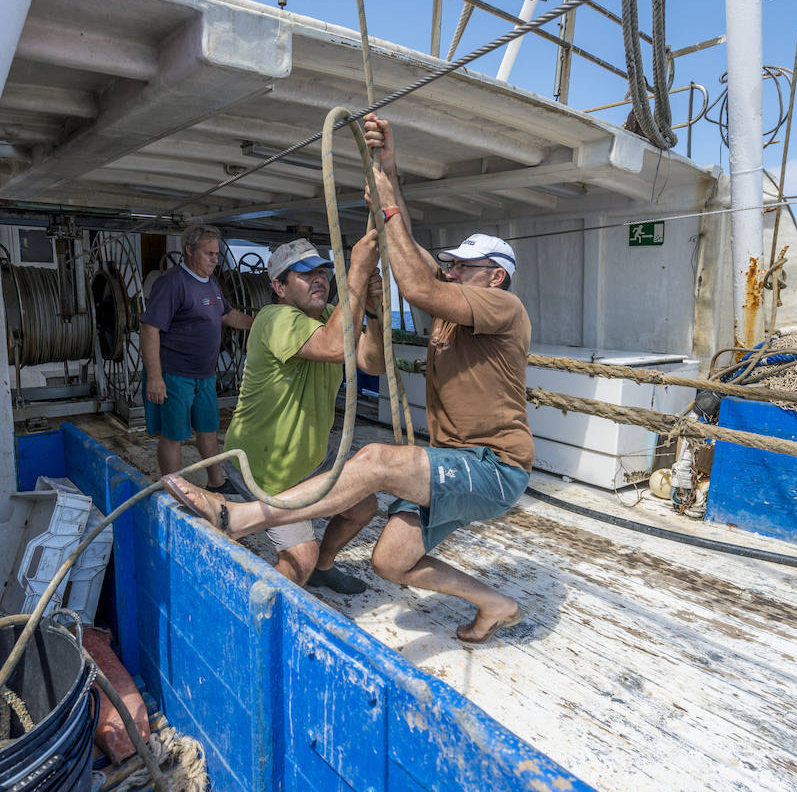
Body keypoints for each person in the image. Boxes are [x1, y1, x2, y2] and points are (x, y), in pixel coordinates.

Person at [165, 114, 533, 643]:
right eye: (450, 265)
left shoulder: (502, 306)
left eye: (463, 267)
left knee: (375, 461)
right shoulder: (287, 318)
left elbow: (415, 286)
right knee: (392, 560)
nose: (450, 271)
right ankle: (496, 603)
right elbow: (402, 242)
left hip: (492, 466)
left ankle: (241, 518)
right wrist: (388, 167)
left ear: (494, 276)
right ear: (278, 287)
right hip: (447, 459)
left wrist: (374, 239)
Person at [218, 232, 387, 592]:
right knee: (300, 558)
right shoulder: (273, 318)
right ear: (279, 287)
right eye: (306, 274)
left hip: (311, 460)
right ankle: (258, 618)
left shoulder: (330, 316)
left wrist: (372, 309)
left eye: (323, 273)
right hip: (264, 467)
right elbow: (331, 346)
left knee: (363, 507)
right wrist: (356, 269)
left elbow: (372, 364)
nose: (320, 280)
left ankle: (325, 568)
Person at [141, 225, 254, 490]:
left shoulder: (211, 282)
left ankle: (216, 481)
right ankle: (174, 489)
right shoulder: (172, 283)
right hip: (174, 375)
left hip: (204, 375)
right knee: (174, 436)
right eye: (209, 253)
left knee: (207, 429)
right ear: (189, 251)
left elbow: (228, 315)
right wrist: (155, 377)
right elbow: (149, 328)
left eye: (217, 254)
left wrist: (261, 323)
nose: (215, 259)